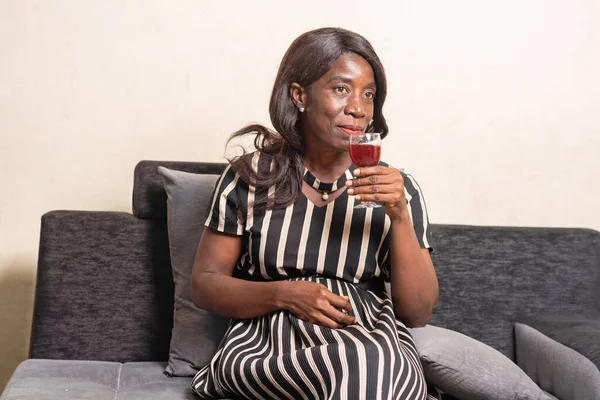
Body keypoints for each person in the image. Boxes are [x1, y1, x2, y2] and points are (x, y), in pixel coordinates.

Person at [190, 27, 440, 400]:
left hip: (367, 335)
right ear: (299, 95)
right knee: (370, 373)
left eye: (368, 94)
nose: (357, 108)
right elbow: (205, 284)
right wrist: (287, 295)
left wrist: (400, 216)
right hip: (269, 341)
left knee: (373, 366)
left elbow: (417, 313)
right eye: (341, 88)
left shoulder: (398, 189)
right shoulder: (251, 175)